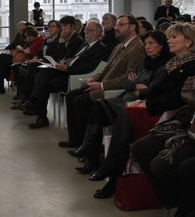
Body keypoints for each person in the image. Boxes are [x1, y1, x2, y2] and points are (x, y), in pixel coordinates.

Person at [70, 30, 171, 179]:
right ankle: (91, 155)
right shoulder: (144, 62)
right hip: (127, 98)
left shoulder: (164, 65)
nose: (147, 47)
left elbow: (151, 90)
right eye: (146, 44)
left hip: (139, 105)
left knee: (98, 108)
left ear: (162, 46)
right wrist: (137, 85)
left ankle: (91, 156)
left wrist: (135, 84)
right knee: (97, 107)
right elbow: (126, 82)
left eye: (151, 43)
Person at [131, 23, 195, 211]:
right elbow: (150, 86)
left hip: (178, 118)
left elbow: (178, 97)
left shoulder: (190, 66)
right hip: (177, 117)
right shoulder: (171, 63)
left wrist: (146, 99)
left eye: (174, 37)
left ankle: (182, 207)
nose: (169, 41)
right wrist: (144, 94)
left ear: (189, 41)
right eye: (169, 37)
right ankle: (172, 200)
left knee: (162, 164)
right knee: (139, 148)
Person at [59, 14, 145, 151]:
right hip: (102, 84)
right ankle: (76, 140)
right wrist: (93, 79)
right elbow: (106, 69)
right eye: (116, 25)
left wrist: (101, 85)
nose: (116, 28)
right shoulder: (119, 47)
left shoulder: (137, 48)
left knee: (81, 101)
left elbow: (128, 77)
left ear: (133, 27)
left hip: (113, 90)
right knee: (70, 96)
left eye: (120, 25)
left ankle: (89, 146)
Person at [21, 20, 109, 129]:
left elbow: (89, 68)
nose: (85, 32)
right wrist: (67, 60)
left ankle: (35, 105)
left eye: (88, 31)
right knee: (38, 70)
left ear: (97, 32)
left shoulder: (101, 48)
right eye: (85, 30)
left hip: (73, 75)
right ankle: (35, 104)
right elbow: (70, 56)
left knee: (43, 82)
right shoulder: (85, 45)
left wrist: (68, 68)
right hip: (65, 70)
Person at [0, 26, 44, 95]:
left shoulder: (39, 40)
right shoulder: (31, 40)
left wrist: (22, 49)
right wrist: (21, 49)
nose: (27, 39)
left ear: (32, 34)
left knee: (2, 57)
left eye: (28, 36)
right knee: (1, 63)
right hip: (22, 58)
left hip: (27, 60)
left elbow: (29, 51)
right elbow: (24, 48)